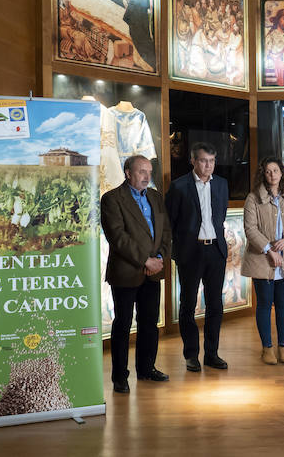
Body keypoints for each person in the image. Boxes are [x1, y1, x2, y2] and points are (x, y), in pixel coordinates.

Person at [100, 155, 172, 394]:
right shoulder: (112, 199)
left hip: (153, 272)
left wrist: (160, 258)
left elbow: (165, 231)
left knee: (149, 323)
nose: (146, 176)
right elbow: (118, 237)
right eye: (141, 171)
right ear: (128, 173)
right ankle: (120, 377)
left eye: (149, 171)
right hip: (127, 271)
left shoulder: (155, 197)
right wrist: (145, 260)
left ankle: (146, 368)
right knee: (122, 325)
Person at [165, 142, 230, 372]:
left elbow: (219, 216)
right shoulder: (179, 186)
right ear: (193, 161)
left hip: (216, 251)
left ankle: (212, 354)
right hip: (190, 253)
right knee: (188, 304)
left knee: (215, 305)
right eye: (203, 160)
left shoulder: (222, 185)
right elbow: (169, 223)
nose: (208, 165)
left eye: (212, 161)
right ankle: (191, 354)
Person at [241, 157, 284, 365]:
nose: (272, 175)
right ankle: (267, 348)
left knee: (283, 306)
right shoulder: (253, 198)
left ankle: (283, 347)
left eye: (275, 170)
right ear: (263, 174)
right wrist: (269, 249)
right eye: (268, 171)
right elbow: (250, 228)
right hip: (262, 259)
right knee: (263, 305)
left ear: (281, 173)